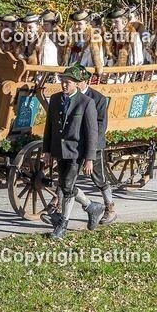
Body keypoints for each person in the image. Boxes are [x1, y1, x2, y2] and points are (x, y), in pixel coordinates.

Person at [41, 65, 103, 239]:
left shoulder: (86, 103)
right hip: (59, 150)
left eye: (67, 82)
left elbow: (92, 133)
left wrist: (89, 158)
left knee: (67, 187)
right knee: (64, 184)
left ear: (76, 83)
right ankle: (91, 206)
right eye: (62, 81)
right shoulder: (54, 99)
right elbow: (49, 127)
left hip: (76, 153)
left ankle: (62, 225)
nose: (64, 85)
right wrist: (46, 150)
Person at [75, 64, 117, 224]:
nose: (75, 83)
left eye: (78, 81)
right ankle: (56, 206)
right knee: (68, 177)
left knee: (99, 178)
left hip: (93, 145)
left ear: (86, 81)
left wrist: (90, 151)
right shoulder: (71, 96)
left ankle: (110, 207)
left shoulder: (98, 99)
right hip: (74, 145)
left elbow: (100, 127)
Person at [62, 10, 105, 77]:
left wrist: (98, 71)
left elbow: (97, 59)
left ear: (87, 24)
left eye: (79, 24)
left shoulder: (94, 37)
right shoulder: (73, 37)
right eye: (75, 24)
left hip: (84, 73)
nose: (76, 27)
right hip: (71, 72)